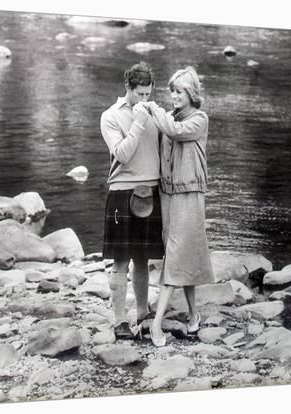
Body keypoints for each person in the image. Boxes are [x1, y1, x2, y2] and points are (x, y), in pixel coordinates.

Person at [138, 66, 215, 347]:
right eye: (172, 90)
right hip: (168, 195)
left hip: (189, 196)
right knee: (181, 255)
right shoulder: (169, 118)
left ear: (192, 93)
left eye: (179, 91)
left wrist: (155, 111)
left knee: (174, 256)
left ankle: (156, 326)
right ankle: (194, 315)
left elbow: (174, 131)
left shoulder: (198, 120)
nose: (174, 96)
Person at [100, 62, 164, 339]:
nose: (144, 100)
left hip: (151, 189)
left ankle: (143, 314)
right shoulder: (110, 116)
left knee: (142, 259)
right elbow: (122, 155)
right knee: (121, 261)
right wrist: (139, 122)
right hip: (122, 191)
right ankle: (119, 321)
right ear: (128, 88)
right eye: (140, 94)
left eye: (148, 94)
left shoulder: (154, 112)